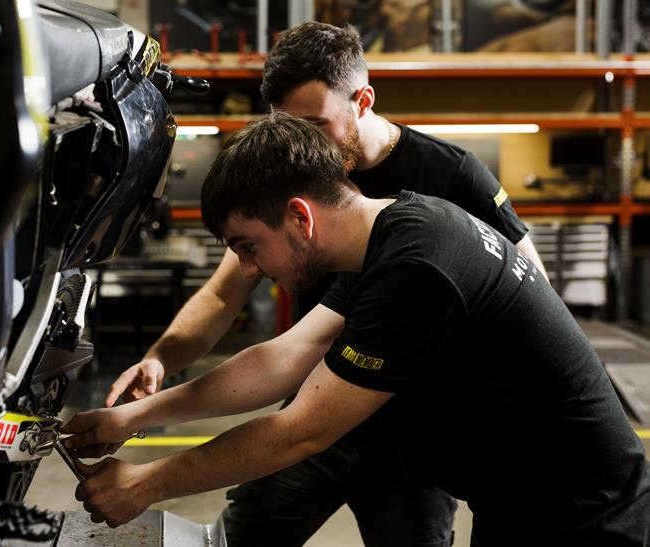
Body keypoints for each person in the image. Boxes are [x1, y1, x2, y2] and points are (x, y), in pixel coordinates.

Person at [63, 113, 650, 546]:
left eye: (249, 246)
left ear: (300, 216)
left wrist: (144, 485)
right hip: (521, 506)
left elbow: (299, 433)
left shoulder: (420, 264)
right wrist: (133, 416)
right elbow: (283, 357)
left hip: (585, 519)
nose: (246, 269)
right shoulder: (393, 236)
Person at [100, 21, 549, 547]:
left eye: (314, 125)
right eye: (285, 126)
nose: (299, 146)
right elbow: (253, 313)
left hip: (412, 442)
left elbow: (528, 296)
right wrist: (160, 361)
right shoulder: (296, 178)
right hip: (313, 406)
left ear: (363, 100)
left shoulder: (446, 185)